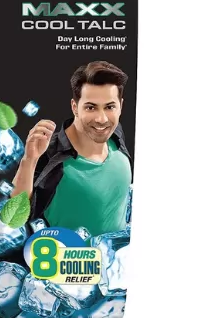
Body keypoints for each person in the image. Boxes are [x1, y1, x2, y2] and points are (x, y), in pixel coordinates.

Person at [11, 61, 132, 238]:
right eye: (91, 107)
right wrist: (29, 160)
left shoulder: (116, 135)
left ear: (120, 106)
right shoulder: (48, 154)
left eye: (109, 107)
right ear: (75, 107)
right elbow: (14, 220)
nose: (102, 119)